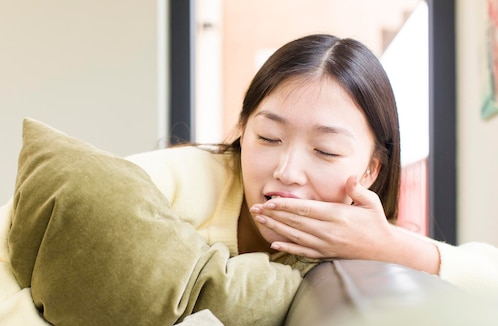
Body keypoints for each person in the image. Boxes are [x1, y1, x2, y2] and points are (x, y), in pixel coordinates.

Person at [128, 33, 498, 291]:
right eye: (268, 138)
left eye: (326, 151)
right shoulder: (196, 177)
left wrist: (388, 247)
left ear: (370, 170)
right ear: (243, 129)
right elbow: (97, 190)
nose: (286, 171)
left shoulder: (364, 238)